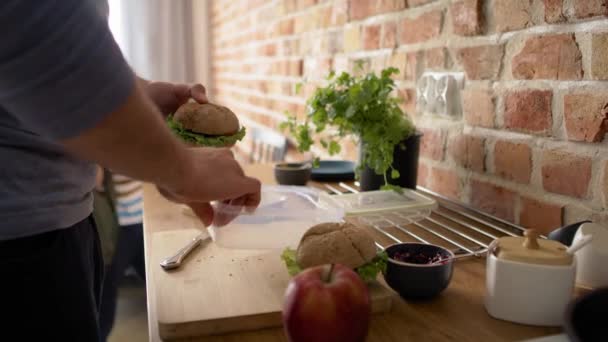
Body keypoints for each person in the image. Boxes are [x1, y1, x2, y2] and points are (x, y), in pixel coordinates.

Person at [0, 1, 261, 341]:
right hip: (19, 248)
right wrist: (184, 170)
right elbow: (34, 28)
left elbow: (74, 48)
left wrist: (140, 94)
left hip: (61, 222)